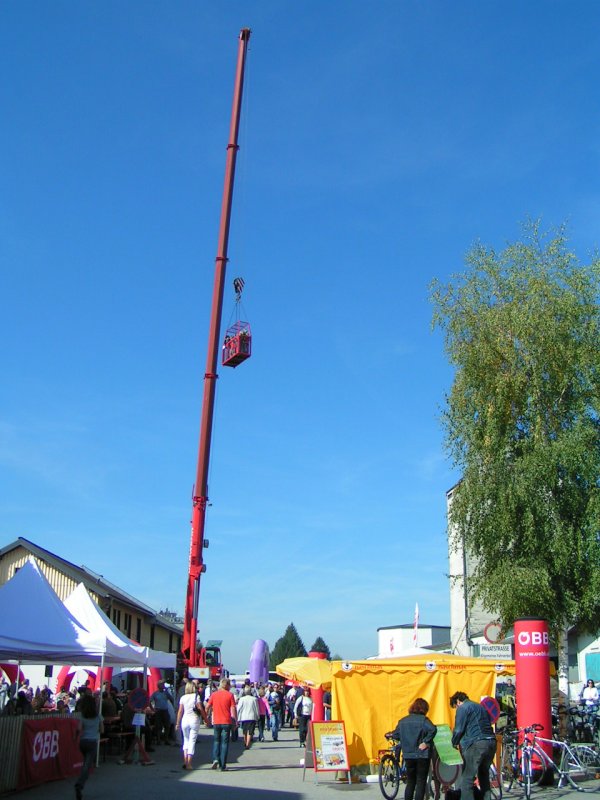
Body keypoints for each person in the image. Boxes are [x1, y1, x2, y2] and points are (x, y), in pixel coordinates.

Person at [450, 691, 496, 800]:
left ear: (458, 701)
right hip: (491, 742)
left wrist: (454, 742)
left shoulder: (463, 708)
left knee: (467, 778)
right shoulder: (480, 707)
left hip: (477, 743)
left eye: (455, 706)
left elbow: (458, 730)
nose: (456, 708)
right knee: (483, 774)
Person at [388, 698, 437, 800]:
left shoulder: (402, 721)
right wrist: (426, 742)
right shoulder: (424, 720)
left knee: (411, 781)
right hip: (422, 755)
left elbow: (396, 735)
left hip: (408, 755)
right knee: (421, 782)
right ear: (424, 709)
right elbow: (433, 729)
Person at [205, 677, 238, 771]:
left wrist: (206, 717)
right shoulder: (230, 695)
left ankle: (215, 759)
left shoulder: (214, 695)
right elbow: (233, 709)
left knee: (216, 741)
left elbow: (207, 706)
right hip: (226, 721)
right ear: (226, 685)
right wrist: (235, 721)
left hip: (216, 721)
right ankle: (222, 765)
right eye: (229, 685)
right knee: (224, 743)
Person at [75, 694, 103, 800]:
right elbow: (102, 730)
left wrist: (76, 737)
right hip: (92, 741)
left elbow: (79, 728)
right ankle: (80, 784)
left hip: (83, 741)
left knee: (85, 762)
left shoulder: (82, 715)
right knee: (87, 765)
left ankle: (81, 779)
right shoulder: (98, 716)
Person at [176, 681, 208, 770]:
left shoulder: (183, 697)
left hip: (184, 720)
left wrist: (177, 723)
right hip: (194, 719)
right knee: (192, 741)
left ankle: (185, 761)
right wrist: (206, 719)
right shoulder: (196, 697)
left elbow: (180, 711)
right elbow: (200, 708)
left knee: (185, 740)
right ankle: (189, 763)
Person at [150, 680, 174, 745]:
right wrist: (152, 709)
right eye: (162, 684)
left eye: (163, 684)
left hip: (165, 710)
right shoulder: (155, 693)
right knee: (158, 726)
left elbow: (172, 699)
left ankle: (166, 739)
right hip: (158, 710)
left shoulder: (166, 693)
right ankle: (158, 740)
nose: (163, 686)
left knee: (167, 725)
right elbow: (149, 701)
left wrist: (167, 692)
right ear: (158, 686)